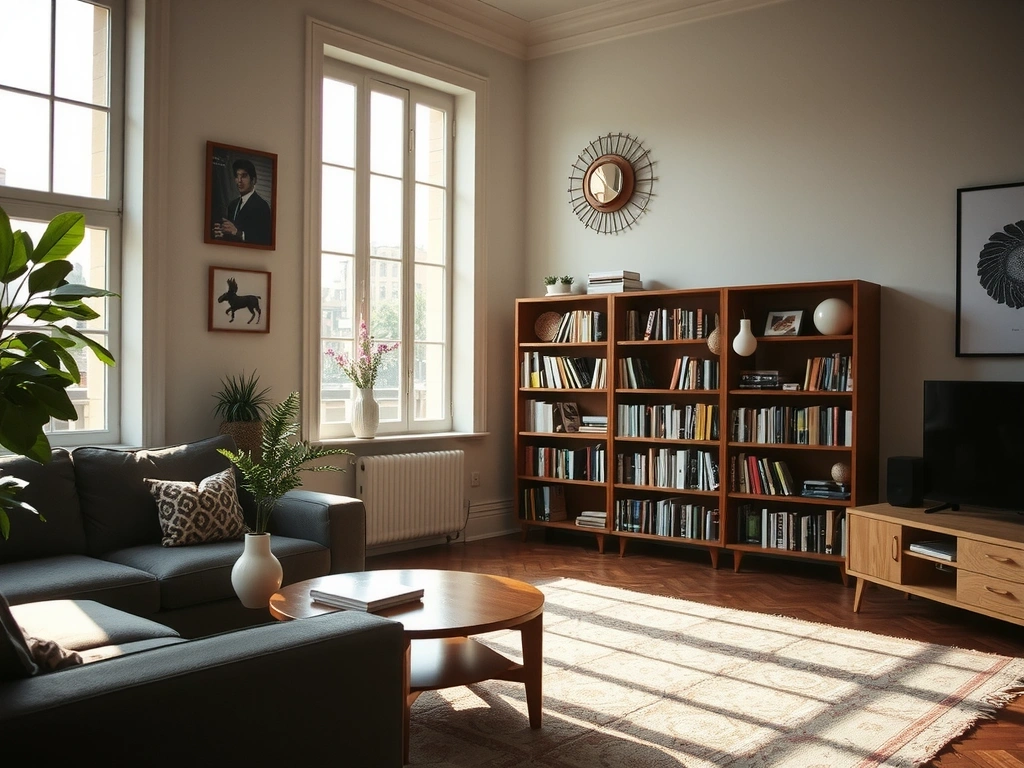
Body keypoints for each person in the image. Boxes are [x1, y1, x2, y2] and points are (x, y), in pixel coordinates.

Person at [212, 158, 272, 245]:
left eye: (243, 176)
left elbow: (264, 239)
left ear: (254, 180)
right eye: (237, 176)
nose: (239, 180)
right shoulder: (232, 205)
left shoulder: (262, 206)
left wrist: (237, 233)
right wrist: (222, 233)